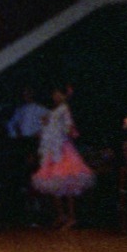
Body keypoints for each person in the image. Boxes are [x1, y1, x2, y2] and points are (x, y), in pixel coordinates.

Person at [31, 85, 96, 229]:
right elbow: (50, 129)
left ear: (63, 95)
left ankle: (71, 217)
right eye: (54, 94)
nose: (55, 96)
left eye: (57, 93)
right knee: (53, 182)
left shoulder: (64, 109)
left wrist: (66, 129)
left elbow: (68, 128)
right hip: (52, 149)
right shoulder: (55, 111)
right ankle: (61, 215)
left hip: (63, 149)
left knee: (68, 181)